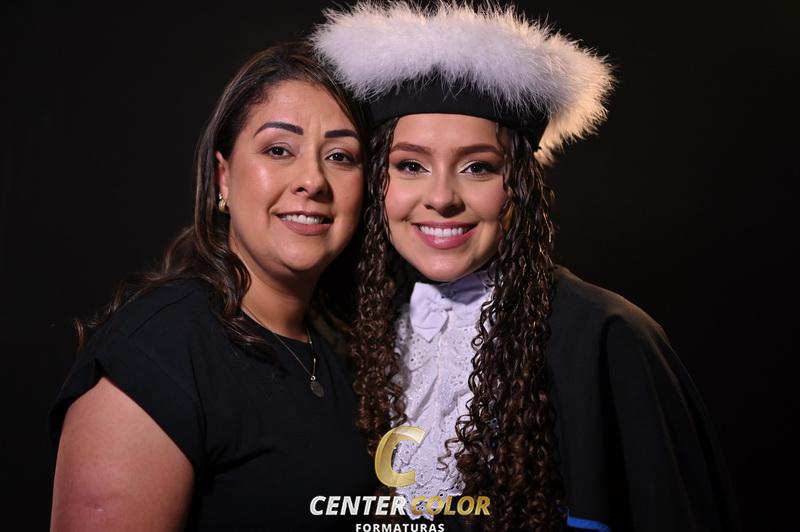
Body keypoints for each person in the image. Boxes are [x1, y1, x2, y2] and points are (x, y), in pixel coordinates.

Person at [313, 3, 738, 531]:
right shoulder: (358, 335)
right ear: (380, 181)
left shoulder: (608, 335)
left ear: (520, 187)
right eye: (411, 165)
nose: (441, 197)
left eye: (478, 167)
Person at [49, 42, 376, 530]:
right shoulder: (161, 345)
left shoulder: (346, 351)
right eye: (278, 150)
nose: (313, 180)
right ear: (223, 178)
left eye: (340, 156)